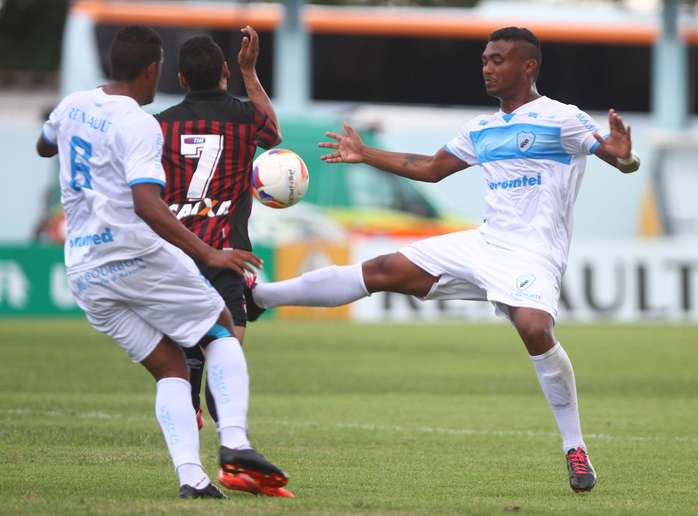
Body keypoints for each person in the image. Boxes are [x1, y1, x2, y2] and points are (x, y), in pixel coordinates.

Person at [249, 26, 641, 493]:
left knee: (535, 328)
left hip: (533, 253)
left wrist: (624, 156)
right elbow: (431, 169)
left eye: (498, 60)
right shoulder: (480, 128)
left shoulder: (562, 119)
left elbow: (615, 156)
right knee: (381, 270)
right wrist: (364, 153)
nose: (488, 68)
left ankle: (574, 447)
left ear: (529, 66)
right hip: (483, 243)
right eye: (484, 60)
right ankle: (260, 297)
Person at [36, 25, 289, 499]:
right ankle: (234, 443)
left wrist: (65, 147)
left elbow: (45, 144)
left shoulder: (72, 105)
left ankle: (192, 479)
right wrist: (211, 252)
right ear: (153, 69)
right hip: (137, 253)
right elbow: (147, 205)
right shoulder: (139, 123)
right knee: (219, 324)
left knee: (172, 366)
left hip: (87, 271)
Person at [154, 27, 286, 497]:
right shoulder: (246, 120)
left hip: (176, 255)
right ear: (225, 71)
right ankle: (232, 457)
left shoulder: (161, 124)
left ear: (182, 78)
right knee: (226, 352)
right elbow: (274, 134)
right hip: (226, 257)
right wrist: (252, 72)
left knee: (187, 358)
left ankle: (197, 450)